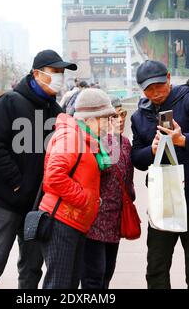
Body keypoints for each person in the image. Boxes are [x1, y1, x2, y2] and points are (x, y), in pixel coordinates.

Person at [0, 50, 77, 289]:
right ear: (37, 74)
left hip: (38, 205)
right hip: (5, 202)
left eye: (62, 73)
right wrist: (18, 182)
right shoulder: (9, 102)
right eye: (55, 72)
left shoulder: (56, 111)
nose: (59, 77)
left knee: (31, 268)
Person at [130, 60, 189, 289]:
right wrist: (151, 150)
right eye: (149, 89)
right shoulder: (139, 116)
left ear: (169, 77)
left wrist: (183, 139)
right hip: (163, 202)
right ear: (141, 89)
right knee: (156, 270)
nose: (155, 92)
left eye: (159, 85)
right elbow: (136, 159)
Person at [39, 88, 116, 289]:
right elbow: (54, 176)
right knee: (59, 284)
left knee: (69, 284)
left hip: (75, 221)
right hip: (62, 220)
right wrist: (84, 199)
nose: (109, 125)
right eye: (105, 119)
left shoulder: (86, 139)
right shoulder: (71, 137)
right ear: (91, 118)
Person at [81, 97, 135, 290]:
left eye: (122, 115)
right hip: (94, 221)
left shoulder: (127, 143)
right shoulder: (92, 142)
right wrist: (109, 138)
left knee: (107, 274)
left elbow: (129, 178)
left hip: (115, 221)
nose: (120, 120)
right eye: (113, 116)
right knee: (93, 277)